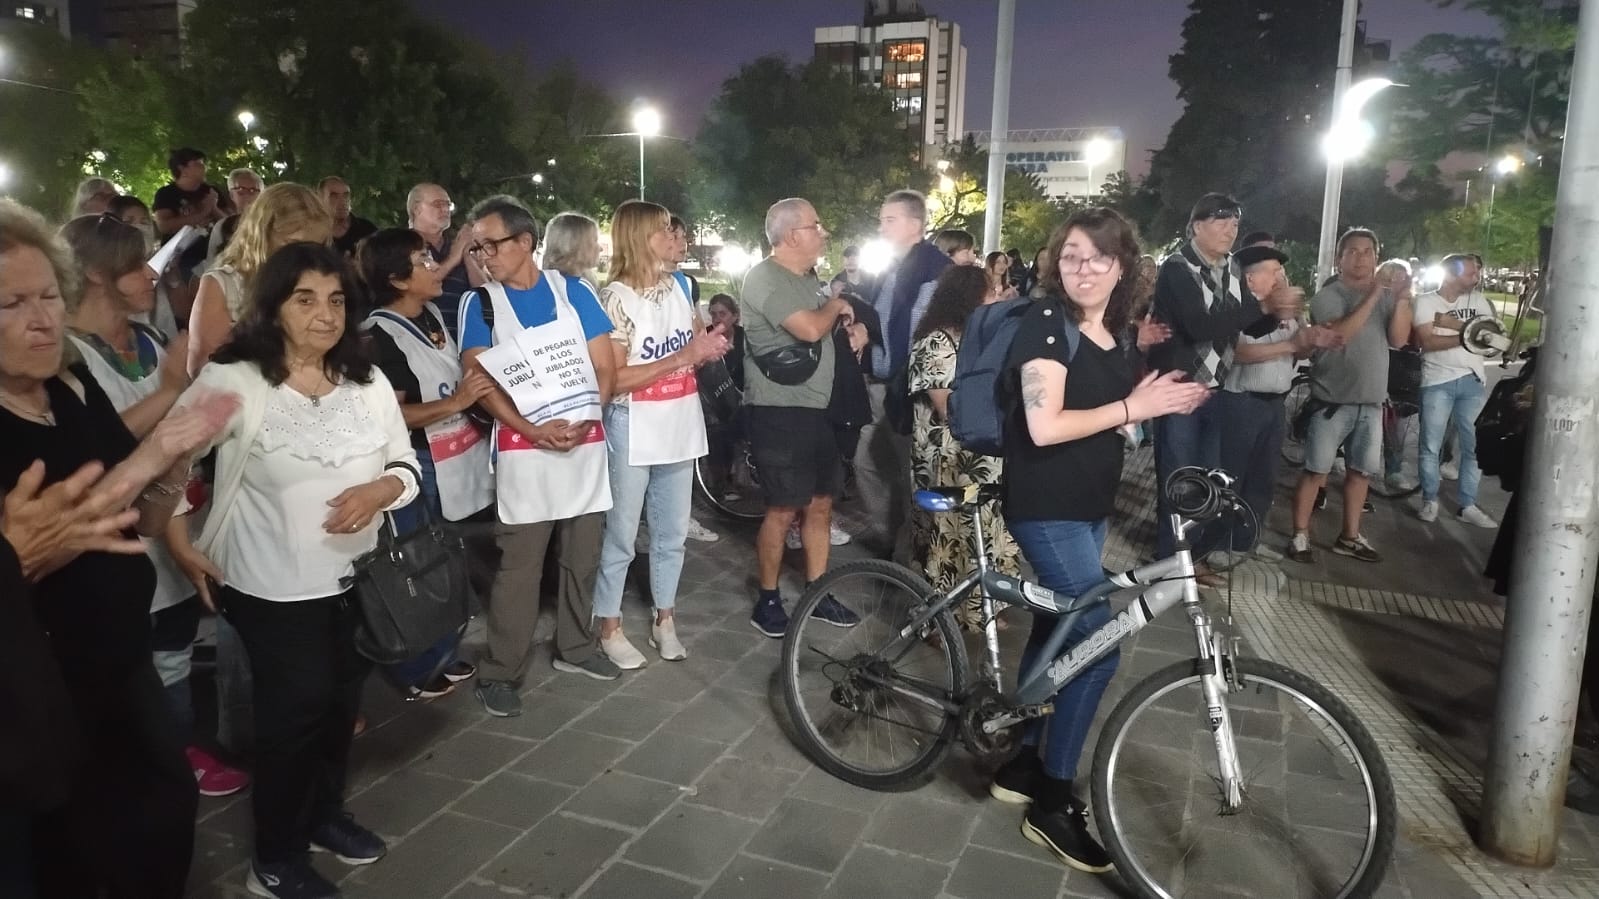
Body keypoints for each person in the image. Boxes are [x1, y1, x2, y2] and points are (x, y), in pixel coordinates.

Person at [0, 198, 239, 899]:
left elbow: (120, 502)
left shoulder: (70, 388)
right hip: (39, 693)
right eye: (12, 303)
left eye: (49, 295)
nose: (44, 319)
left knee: (159, 818)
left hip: (120, 665)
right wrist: (16, 556)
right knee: (67, 855)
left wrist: (168, 455)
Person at [171, 242, 421, 899]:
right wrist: (177, 537)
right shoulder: (237, 379)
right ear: (274, 305)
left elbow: (407, 464)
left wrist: (381, 490)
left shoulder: (364, 381)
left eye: (336, 299)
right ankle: (274, 858)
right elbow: (168, 457)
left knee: (339, 707)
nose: (324, 314)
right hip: (270, 586)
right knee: (294, 714)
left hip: (357, 580)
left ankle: (323, 816)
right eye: (304, 298)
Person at [990, 208, 1209, 873]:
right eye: (1071, 257)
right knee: (1096, 647)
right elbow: (1044, 426)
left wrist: (1142, 396)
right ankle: (1053, 803)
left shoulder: (1106, 329)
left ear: (1123, 265)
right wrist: (1131, 410)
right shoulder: (1046, 325)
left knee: (1051, 632)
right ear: (1055, 264)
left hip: (1085, 505)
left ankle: (1025, 761)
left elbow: (1105, 407)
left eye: (1098, 258)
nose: (1083, 269)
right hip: (1045, 505)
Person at [59, 213, 252, 798]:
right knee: (128, 655)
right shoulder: (67, 356)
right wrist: (172, 390)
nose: (152, 274)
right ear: (96, 274)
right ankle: (155, 759)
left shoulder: (146, 339)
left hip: (172, 516)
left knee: (172, 640)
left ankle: (176, 749)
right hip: (116, 531)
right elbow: (93, 445)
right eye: (136, 265)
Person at [458, 196, 620, 717]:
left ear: (525, 242)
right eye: (477, 247)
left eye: (491, 244)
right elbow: (479, 381)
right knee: (520, 568)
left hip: (585, 446)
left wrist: (586, 418)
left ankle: (577, 647)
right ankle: (501, 670)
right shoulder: (479, 304)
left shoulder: (573, 291)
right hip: (525, 452)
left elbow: (605, 363)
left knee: (583, 555)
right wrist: (531, 427)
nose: (483, 255)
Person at [357, 228, 496, 699]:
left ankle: (440, 650)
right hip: (421, 462)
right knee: (418, 563)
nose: (436, 266)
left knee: (447, 558)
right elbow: (390, 415)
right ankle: (414, 664)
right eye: (424, 260)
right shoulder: (379, 336)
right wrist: (455, 402)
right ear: (397, 279)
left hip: (459, 451)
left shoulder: (433, 312)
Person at [593, 201, 730, 669]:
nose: (676, 237)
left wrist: (709, 348)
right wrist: (682, 356)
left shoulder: (678, 286)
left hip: (678, 417)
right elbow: (612, 382)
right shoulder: (613, 298)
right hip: (633, 422)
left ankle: (664, 619)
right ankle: (608, 625)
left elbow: (691, 347)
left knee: (672, 531)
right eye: (666, 230)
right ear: (640, 236)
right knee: (622, 532)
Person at [1148, 193, 1296, 577]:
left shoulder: (1231, 268)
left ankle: (1192, 559)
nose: (1231, 229)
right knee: (1178, 476)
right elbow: (1199, 326)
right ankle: (1170, 563)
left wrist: (1276, 312)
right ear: (1197, 226)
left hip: (1215, 388)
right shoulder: (1176, 269)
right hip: (1179, 389)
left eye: (1235, 222)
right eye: (1222, 220)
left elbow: (1243, 323)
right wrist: (1263, 307)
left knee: (1209, 477)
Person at [742, 198, 861, 638]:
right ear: (793, 235)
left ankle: (817, 592)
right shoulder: (764, 278)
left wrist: (850, 324)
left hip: (818, 408)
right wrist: (836, 303)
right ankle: (768, 600)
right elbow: (810, 329)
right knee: (781, 508)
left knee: (821, 504)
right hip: (780, 409)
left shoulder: (805, 279)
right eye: (816, 225)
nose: (823, 233)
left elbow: (824, 330)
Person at [1285, 229, 1414, 564]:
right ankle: (1300, 535)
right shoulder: (1329, 295)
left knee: (1361, 473)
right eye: (1353, 252)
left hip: (1371, 401)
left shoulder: (1386, 297)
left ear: (1377, 256)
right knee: (1316, 471)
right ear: (1339, 258)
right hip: (1332, 400)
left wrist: (1401, 297)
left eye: (1368, 251)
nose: (1361, 258)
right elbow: (1340, 334)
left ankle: (1350, 536)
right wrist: (1373, 294)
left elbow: (1399, 340)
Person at [908, 265, 1021, 630]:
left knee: (984, 535)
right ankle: (934, 622)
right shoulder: (937, 342)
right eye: (991, 292)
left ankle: (980, 609)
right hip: (947, 458)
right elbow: (947, 407)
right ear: (968, 297)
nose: (997, 297)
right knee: (947, 539)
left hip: (981, 454)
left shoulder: (978, 339)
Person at [1216, 244, 1340, 558]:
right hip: (1241, 403)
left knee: (1263, 479)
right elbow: (1238, 353)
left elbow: (1299, 349)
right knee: (1232, 477)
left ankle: (1245, 543)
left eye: (1280, 271)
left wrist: (1311, 341)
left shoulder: (1287, 309)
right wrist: (1290, 344)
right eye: (1272, 271)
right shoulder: (1240, 309)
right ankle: (1216, 545)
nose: (1280, 277)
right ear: (1249, 278)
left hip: (1274, 405)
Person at [863, 189, 952, 562]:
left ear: (915, 225)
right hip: (880, 382)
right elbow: (879, 317)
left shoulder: (934, 269)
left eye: (890, 220)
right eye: (881, 219)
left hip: (909, 388)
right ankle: (893, 540)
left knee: (908, 469)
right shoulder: (891, 266)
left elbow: (922, 330)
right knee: (868, 462)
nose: (881, 227)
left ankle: (908, 555)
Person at [189, 182, 335, 374]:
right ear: (262, 233)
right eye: (292, 244)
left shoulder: (322, 285)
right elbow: (201, 368)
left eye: (314, 246)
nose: (304, 256)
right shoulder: (224, 283)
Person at [1411, 253, 1498, 528]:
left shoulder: (1479, 301)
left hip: (1472, 380)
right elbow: (1428, 341)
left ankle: (1468, 504)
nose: (1477, 278)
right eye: (1471, 273)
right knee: (1430, 445)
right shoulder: (1426, 301)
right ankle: (1430, 500)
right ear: (1450, 274)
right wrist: (1470, 335)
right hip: (1437, 380)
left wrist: (1452, 327)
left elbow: (1492, 339)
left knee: (1473, 447)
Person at [664, 214, 723, 545]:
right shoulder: (625, 290)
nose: (683, 243)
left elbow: (697, 329)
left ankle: (680, 519)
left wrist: (707, 346)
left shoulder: (686, 284)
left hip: (683, 391)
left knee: (681, 465)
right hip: (648, 399)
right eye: (677, 235)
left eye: (684, 235)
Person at [406, 183, 480, 341]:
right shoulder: (402, 245)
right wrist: (455, 255)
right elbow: (415, 284)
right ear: (416, 209)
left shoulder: (455, 244)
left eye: (448, 205)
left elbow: (483, 292)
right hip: (424, 339)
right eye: (438, 204)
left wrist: (467, 257)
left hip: (466, 339)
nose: (445, 210)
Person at [152, 148, 227, 283]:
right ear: (183, 169)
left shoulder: (211, 192)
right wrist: (204, 211)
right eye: (198, 164)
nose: (204, 168)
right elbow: (164, 226)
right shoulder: (166, 194)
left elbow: (229, 224)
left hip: (213, 259)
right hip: (179, 262)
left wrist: (214, 208)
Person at [206, 168, 266, 265]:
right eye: (240, 190)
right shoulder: (223, 226)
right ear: (231, 195)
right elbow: (211, 264)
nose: (247, 195)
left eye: (252, 190)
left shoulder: (269, 224)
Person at [321, 176, 379, 260]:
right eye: (334, 196)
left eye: (346, 195)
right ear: (320, 198)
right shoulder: (312, 233)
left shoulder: (367, 230)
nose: (342, 201)